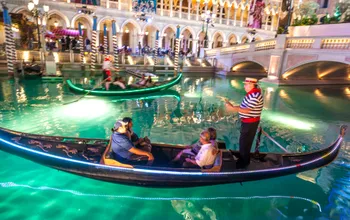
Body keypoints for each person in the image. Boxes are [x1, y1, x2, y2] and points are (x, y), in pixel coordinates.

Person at [224, 77, 263, 168]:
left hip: (250, 124)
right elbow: (243, 106)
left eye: (245, 84)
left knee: (245, 143)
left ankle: (244, 163)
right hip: (247, 123)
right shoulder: (251, 94)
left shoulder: (255, 96)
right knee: (243, 142)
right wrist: (232, 106)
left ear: (251, 85)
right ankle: (243, 159)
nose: (244, 86)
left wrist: (233, 108)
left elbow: (247, 110)